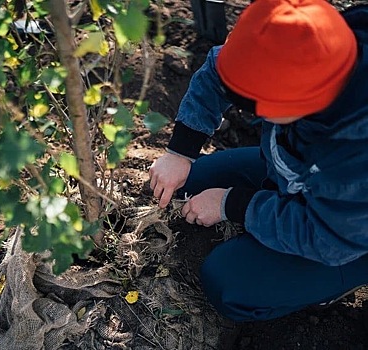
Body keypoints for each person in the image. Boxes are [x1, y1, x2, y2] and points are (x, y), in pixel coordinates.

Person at [149, 0, 368, 323]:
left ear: (301, 102)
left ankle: (333, 283)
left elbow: (328, 237)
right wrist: (180, 150)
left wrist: (232, 204)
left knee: (229, 284)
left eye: (256, 104)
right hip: (298, 172)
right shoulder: (305, 39)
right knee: (192, 182)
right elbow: (219, 72)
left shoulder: (355, 157)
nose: (249, 109)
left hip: (345, 235)